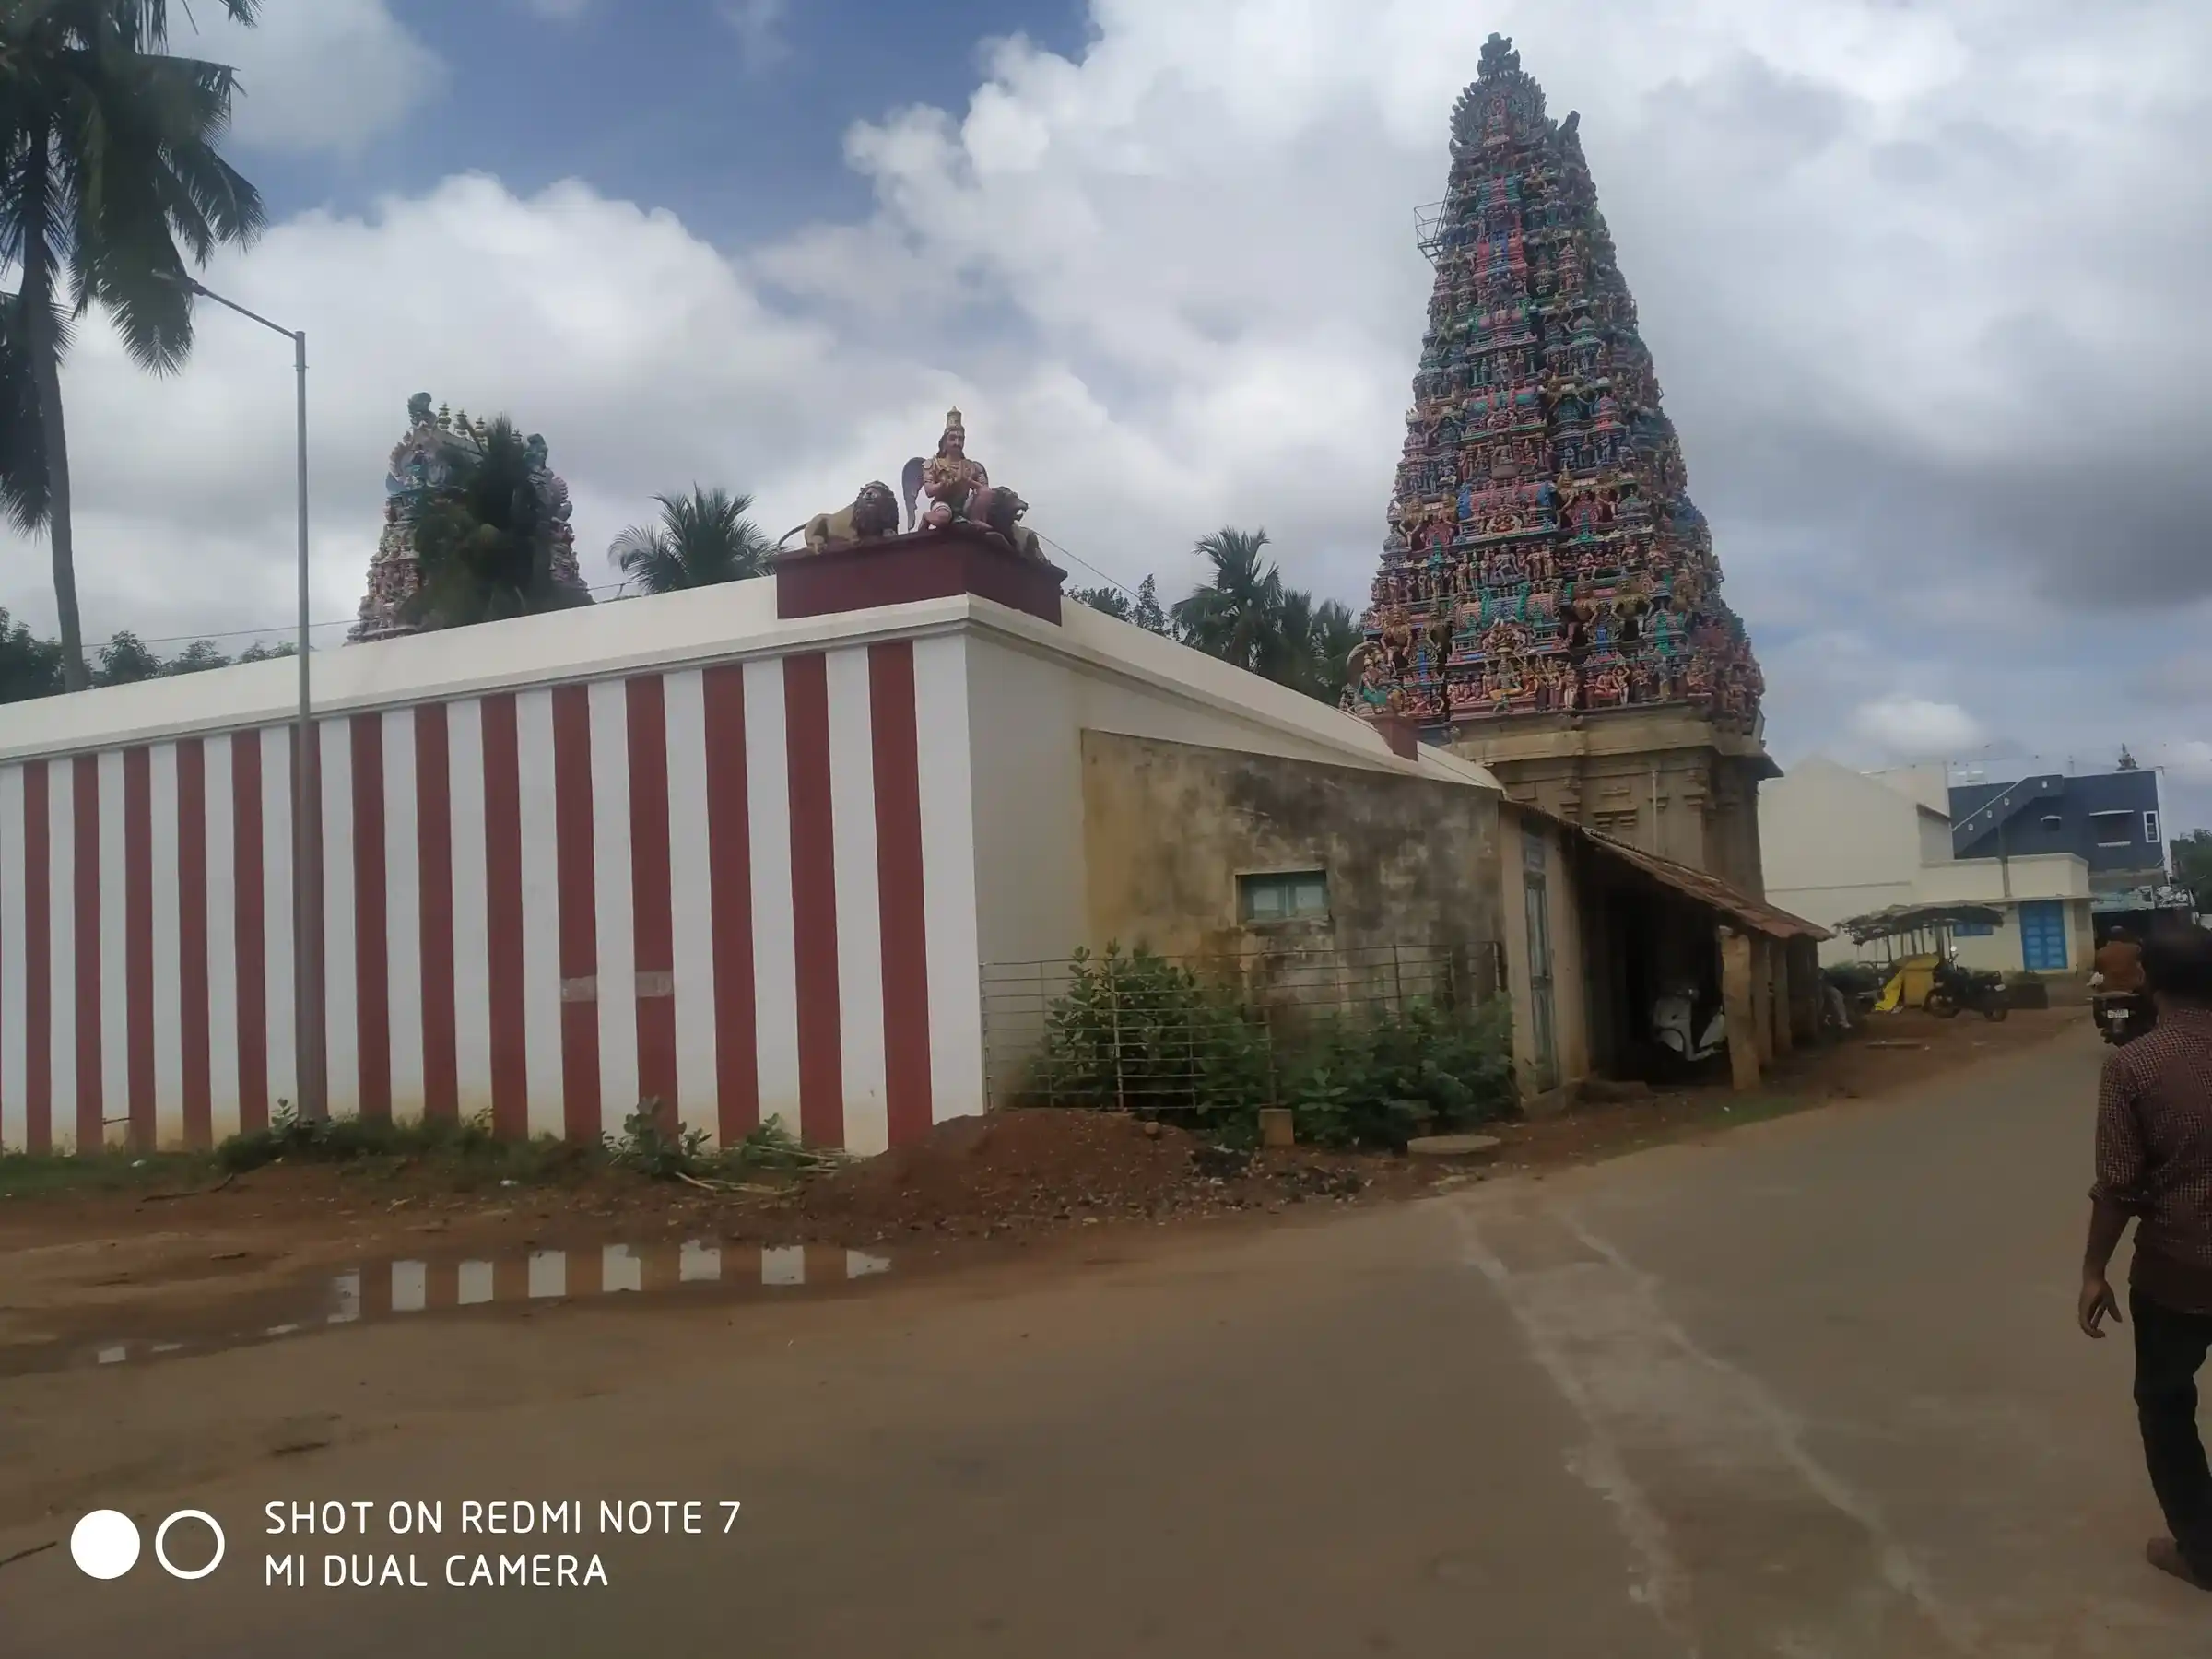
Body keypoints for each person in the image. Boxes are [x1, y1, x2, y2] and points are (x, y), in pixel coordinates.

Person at [2080, 924, 2212, 1588]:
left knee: (2165, 1403)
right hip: (2178, 1267)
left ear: (2150, 983)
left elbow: (2119, 1186)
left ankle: (2202, 1550)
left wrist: (2092, 1271)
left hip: (2175, 1272)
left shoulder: (2132, 1066)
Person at [2095, 927, 2147, 995]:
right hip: (2133, 988)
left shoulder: (2100, 953)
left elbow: (2098, 972)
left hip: (2108, 989)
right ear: (2124, 937)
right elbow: (2143, 966)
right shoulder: (2135, 949)